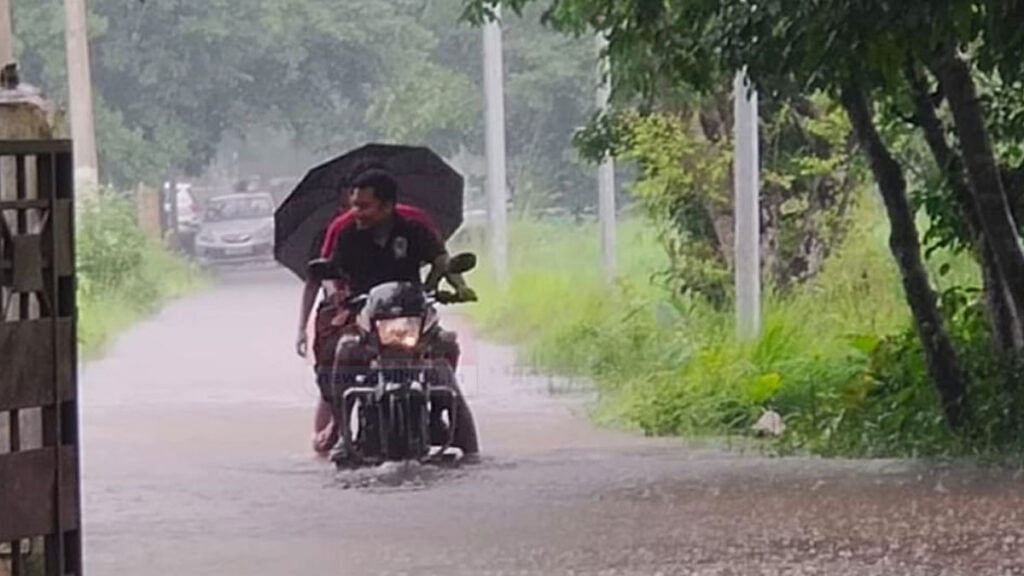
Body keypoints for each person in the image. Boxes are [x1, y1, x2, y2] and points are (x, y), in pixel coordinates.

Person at [316, 168, 479, 462]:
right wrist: (334, 293)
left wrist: (460, 287)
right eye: (354, 205)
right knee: (345, 351)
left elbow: (441, 260)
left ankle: (445, 419)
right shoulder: (347, 234)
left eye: (364, 206)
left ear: (387, 206)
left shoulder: (415, 230)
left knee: (447, 346)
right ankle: (342, 430)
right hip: (366, 317)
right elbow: (330, 272)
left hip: (414, 317)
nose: (357, 212)